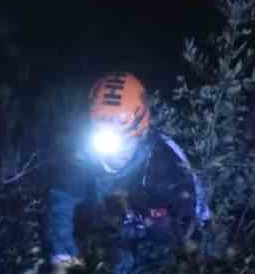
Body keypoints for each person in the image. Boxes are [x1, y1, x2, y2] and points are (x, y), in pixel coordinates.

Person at [45, 71, 210, 273]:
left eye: (126, 141)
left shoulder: (167, 161)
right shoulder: (81, 157)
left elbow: (194, 220)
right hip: (106, 243)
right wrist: (64, 259)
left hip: (156, 248)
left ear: (141, 132)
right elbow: (62, 203)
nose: (117, 152)